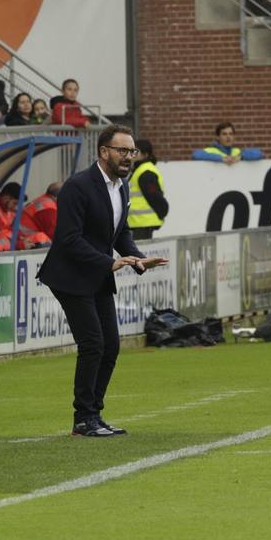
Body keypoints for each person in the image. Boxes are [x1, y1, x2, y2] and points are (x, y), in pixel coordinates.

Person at [37, 125, 166, 437]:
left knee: (111, 345)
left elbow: (120, 232)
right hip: (70, 276)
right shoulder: (78, 186)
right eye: (122, 151)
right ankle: (83, 419)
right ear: (103, 152)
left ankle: (94, 415)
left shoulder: (121, 187)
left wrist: (135, 258)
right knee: (93, 343)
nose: (128, 157)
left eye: (131, 151)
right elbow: (68, 239)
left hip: (97, 274)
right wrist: (109, 262)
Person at [128, 139, 168, 241]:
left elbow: (154, 196)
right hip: (140, 223)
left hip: (143, 223)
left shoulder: (145, 172)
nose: (132, 154)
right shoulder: (140, 170)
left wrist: (162, 211)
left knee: (140, 255)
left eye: (136, 151)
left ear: (145, 154)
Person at [192, 121, 263, 163]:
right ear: (217, 137)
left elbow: (259, 153)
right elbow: (196, 155)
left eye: (230, 134)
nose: (228, 137)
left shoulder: (237, 151)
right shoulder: (210, 150)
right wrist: (221, 159)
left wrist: (240, 157)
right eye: (224, 134)